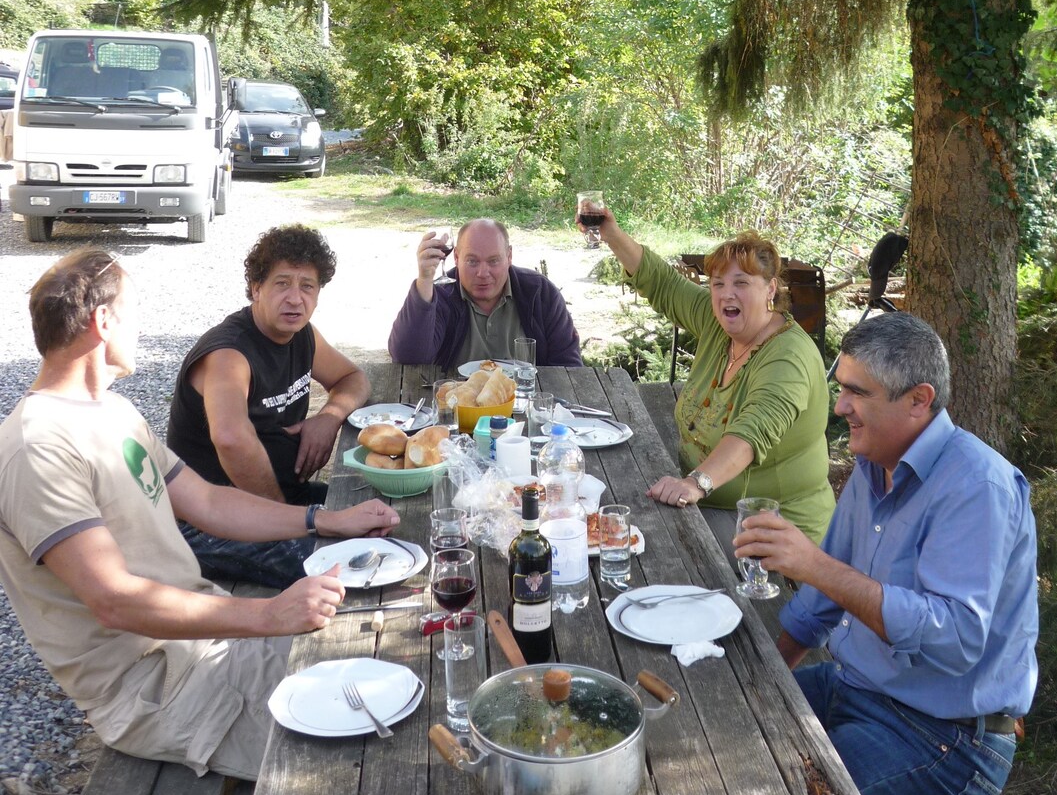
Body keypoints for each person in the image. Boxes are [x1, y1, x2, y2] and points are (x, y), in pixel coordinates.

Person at [0, 250, 398, 780]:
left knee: (384, 674)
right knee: (366, 758)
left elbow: (208, 501)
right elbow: (114, 601)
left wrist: (321, 521)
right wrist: (269, 615)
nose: (142, 327)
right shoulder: (37, 447)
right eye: (134, 311)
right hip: (159, 691)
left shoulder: (113, 411)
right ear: (103, 322)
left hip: (211, 643)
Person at [733, 311, 1038, 795]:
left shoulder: (977, 488)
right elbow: (823, 597)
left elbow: (957, 637)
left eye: (857, 393)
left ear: (919, 400)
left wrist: (816, 566)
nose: (840, 406)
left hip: (946, 739)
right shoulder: (876, 459)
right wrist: (770, 677)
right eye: (841, 387)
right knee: (732, 723)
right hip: (856, 687)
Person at [593, 207, 834, 544]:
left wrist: (695, 483)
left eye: (741, 283)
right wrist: (611, 234)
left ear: (770, 289)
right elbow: (663, 283)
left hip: (773, 527)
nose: (726, 294)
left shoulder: (788, 356)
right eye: (718, 284)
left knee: (647, 537)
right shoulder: (718, 324)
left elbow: (752, 432)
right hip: (711, 504)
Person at [167, 225, 371, 587]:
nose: (295, 298)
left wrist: (329, 417)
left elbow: (354, 378)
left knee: (382, 514)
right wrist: (292, 519)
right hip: (209, 521)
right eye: (282, 283)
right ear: (256, 288)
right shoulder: (229, 353)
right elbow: (231, 438)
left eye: (307, 285)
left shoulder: (302, 335)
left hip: (283, 499)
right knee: (351, 570)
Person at [388, 218, 582, 372]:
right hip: (457, 406)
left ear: (509, 257)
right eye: (472, 261)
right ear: (456, 257)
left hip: (525, 404)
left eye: (493, 261)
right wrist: (424, 281)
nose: (482, 272)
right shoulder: (439, 294)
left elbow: (568, 367)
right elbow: (407, 357)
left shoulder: (539, 293)